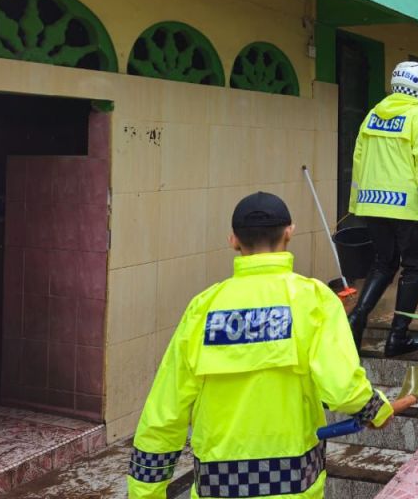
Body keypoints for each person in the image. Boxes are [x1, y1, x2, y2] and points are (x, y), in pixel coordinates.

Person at [128, 192, 393, 499]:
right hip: (294, 486)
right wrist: (376, 411)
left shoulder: (203, 308)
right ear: (289, 232)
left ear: (233, 241)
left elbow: (165, 411)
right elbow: (343, 387)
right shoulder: (314, 300)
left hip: (218, 487)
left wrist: (146, 491)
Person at [347, 61, 418, 357]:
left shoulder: (372, 115)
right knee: (414, 267)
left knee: (383, 263)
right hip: (407, 207)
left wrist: (357, 203)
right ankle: (397, 337)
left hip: (373, 204)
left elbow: (358, 160)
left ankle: (356, 319)